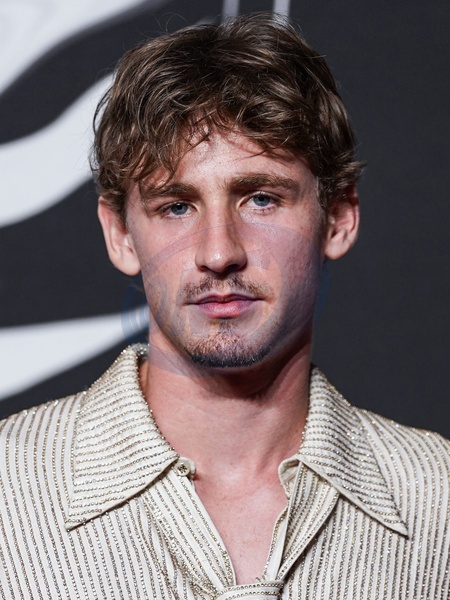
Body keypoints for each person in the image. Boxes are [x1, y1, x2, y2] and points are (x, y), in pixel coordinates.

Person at [0, 13, 448, 599]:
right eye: (176, 206)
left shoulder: (438, 501)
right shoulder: (8, 492)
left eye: (260, 199)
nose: (218, 253)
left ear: (338, 216)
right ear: (121, 234)